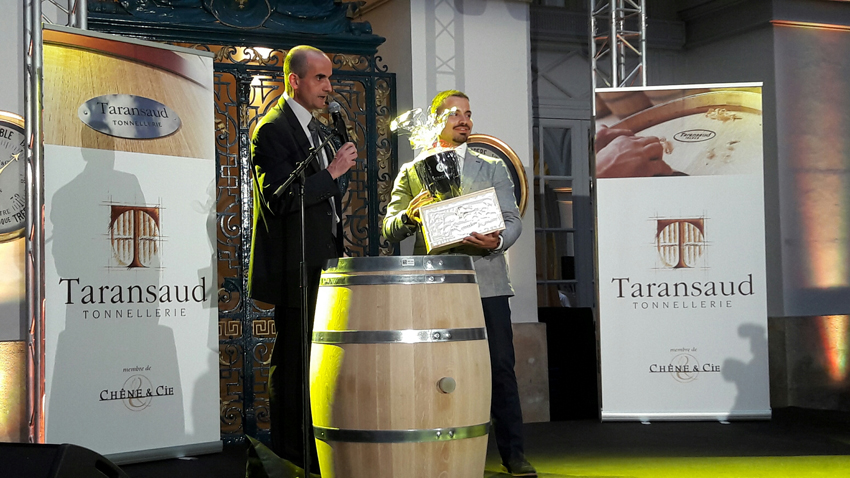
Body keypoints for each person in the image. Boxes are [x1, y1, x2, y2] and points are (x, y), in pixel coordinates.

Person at [383, 90, 537, 477]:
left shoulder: (491, 167)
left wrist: (498, 240)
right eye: (455, 114)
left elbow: (511, 218)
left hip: (487, 282)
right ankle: (434, 454)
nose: (465, 121)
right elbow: (389, 226)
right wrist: (411, 218)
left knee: (500, 367)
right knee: (433, 371)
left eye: (468, 114)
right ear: (436, 120)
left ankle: (514, 455)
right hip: (433, 286)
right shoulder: (413, 171)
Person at [248, 45, 357, 471]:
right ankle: (290, 454)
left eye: (329, 79)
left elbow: (321, 203)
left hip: (322, 264)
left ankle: (314, 448)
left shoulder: (320, 131)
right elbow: (277, 199)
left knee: (315, 360)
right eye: (320, 78)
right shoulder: (273, 129)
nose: (328, 88)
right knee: (292, 362)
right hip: (293, 267)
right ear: (294, 79)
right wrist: (330, 175)